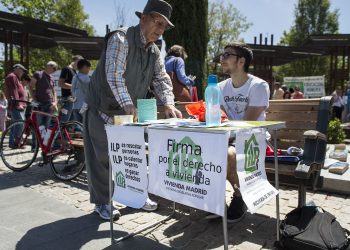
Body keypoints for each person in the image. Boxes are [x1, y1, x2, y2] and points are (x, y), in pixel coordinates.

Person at [84, 0, 182, 221]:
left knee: (131, 157)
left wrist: (169, 103)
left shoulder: (155, 51)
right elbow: (114, 75)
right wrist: (128, 103)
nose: (159, 29)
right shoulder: (121, 38)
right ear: (143, 18)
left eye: (164, 26)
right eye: (157, 22)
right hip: (102, 108)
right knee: (103, 158)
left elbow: (161, 79)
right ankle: (103, 202)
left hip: (127, 114)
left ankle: (135, 196)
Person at [207, 42, 270, 223]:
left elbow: (248, 123)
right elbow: (217, 117)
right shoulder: (218, 87)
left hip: (252, 138)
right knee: (201, 149)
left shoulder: (258, 85)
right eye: (222, 55)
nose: (222, 59)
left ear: (241, 61)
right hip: (228, 136)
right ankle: (214, 199)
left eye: (227, 55)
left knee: (228, 154)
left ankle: (240, 196)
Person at [4, 64, 28, 148]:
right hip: (16, 106)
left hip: (19, 105)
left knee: (15, 125)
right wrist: (18, 104)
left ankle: (13, 143)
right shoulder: (12, 76)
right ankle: (17, 142)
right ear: (17, 69)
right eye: (22, 70)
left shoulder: (15, 77)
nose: (23, 72)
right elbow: (13, 91)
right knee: (19, 124)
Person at [29, 61, 58, 128]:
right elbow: (30, 87)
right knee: (39, 125)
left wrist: (55, 102)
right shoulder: (38, 74)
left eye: (55, 69)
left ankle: (44, 138)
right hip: (39, 104)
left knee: (47, 125)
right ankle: (36, 138)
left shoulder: (51, 78)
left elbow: (54, 91)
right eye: (54, 68)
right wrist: (34, 100)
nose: (54, 70)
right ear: (49, 66)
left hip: (49, 104)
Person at [58, 55, 83, 122]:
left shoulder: (74, 71)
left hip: (73, 99)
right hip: (67, 99)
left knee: (71, 122)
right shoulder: (66, 69)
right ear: (77, 61)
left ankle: (66, 132)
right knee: (64, 120)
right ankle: (58, 132)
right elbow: (60, 84)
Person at [71, 59, 91, 123]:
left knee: (78, 126)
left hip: (75, 106)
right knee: (86, 126)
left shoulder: (75, 77)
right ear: (84, 67)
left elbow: (72, 90)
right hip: (84, 107)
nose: (89, 70)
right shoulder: (86, 78)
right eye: (88, 68)